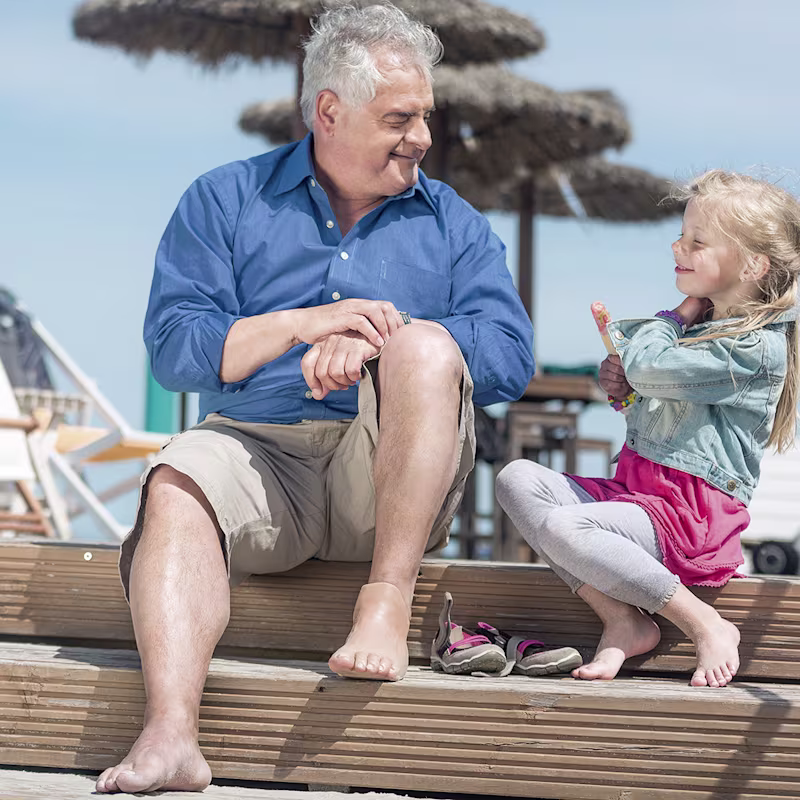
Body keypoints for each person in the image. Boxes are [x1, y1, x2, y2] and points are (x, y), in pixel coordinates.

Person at [95, 3, 533, 794]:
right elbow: (177, 349)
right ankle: (171, 736)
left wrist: (381, 346)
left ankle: (385, 604)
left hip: (390, 483)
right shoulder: (223, 198)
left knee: (425, 347)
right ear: (329, 111)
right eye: (399, 118)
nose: (423, 137)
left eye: (425, 116)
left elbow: (509, 356)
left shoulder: (457, 224)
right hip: (258, 457)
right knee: (176, 480)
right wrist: (302, 326)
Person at [497, 169, 799, 690]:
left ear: (753, 265)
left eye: (698, 241)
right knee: (516, 478)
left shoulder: (753, 348)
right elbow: (662, 406)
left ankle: (704, 623)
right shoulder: (705, 331)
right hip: (641, 496)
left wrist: (670, 317)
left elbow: (652, 365)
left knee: (567, 527)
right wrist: (628, 396)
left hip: (689, 516)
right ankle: (623, 618)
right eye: (682, 235)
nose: (678, 247)